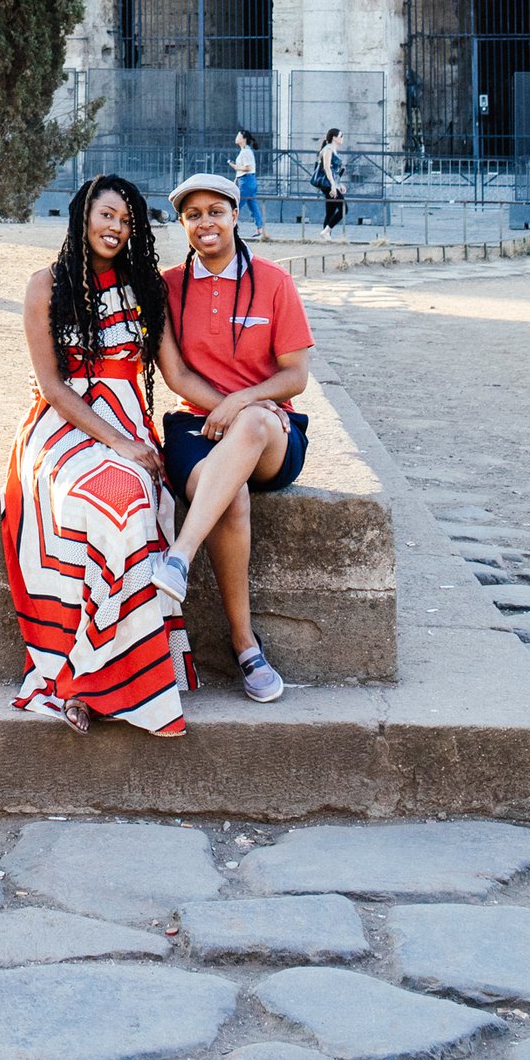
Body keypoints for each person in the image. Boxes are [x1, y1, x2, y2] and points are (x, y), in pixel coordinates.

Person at [2, 173, 196, 736]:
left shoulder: (145, 287)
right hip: (62, 427)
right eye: (106, 215)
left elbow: (176, 373)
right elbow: (54, 388)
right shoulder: (45, 285)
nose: (115, 228)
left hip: (129, 421)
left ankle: (94, 676)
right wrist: (121, 444)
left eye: (126, 220)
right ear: (83, 216)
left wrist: (244, 407)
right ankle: (86, 674)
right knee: (99, 499)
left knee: (133, 501)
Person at [149, 171, 313, 704]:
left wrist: (242, 400)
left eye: (215, 212)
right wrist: (221, 405)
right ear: (183, 224)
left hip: (270, 432)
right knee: (230, 497)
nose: (205, 223)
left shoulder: (273, 281)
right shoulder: (169, 286)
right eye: (192, 215)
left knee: (254, 422)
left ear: (236, 214)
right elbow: (174, 374)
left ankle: (179, 556)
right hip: (194, 426)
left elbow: (295, 376)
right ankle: (247, 647)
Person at [232, 128, 267, 237]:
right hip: (249, 180)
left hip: (246, 181)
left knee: (236, 205)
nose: (236, 138)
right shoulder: (245, 151)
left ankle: (230, 227)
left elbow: (248, 167)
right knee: (253, 205)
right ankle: (260, 228)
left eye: (238, 136)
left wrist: (235, 167)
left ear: (244, 139)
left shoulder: (246, 152)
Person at [314, 126, 345, 232]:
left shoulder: (332, 150)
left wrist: (339, 184)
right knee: (344, 209)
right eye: (341, 136)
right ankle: (325, 232)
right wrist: (333, 185)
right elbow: (327, 168)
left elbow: (334, 172)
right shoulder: (328, 149)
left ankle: (326, 235)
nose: (342, 138)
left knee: (330, 211)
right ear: (334, 138)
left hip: (331, 184)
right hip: (328, 184)